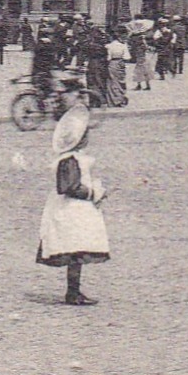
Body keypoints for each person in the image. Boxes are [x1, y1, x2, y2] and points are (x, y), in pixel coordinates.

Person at [36, 106, 109, 306]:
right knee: (76, 249)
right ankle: (73, 292)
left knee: (78, 249)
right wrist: (93, 193)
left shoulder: (74, 159)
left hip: (75, 210)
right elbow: (67, 187)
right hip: (71, 211)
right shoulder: (69, 161)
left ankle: (74, 290)